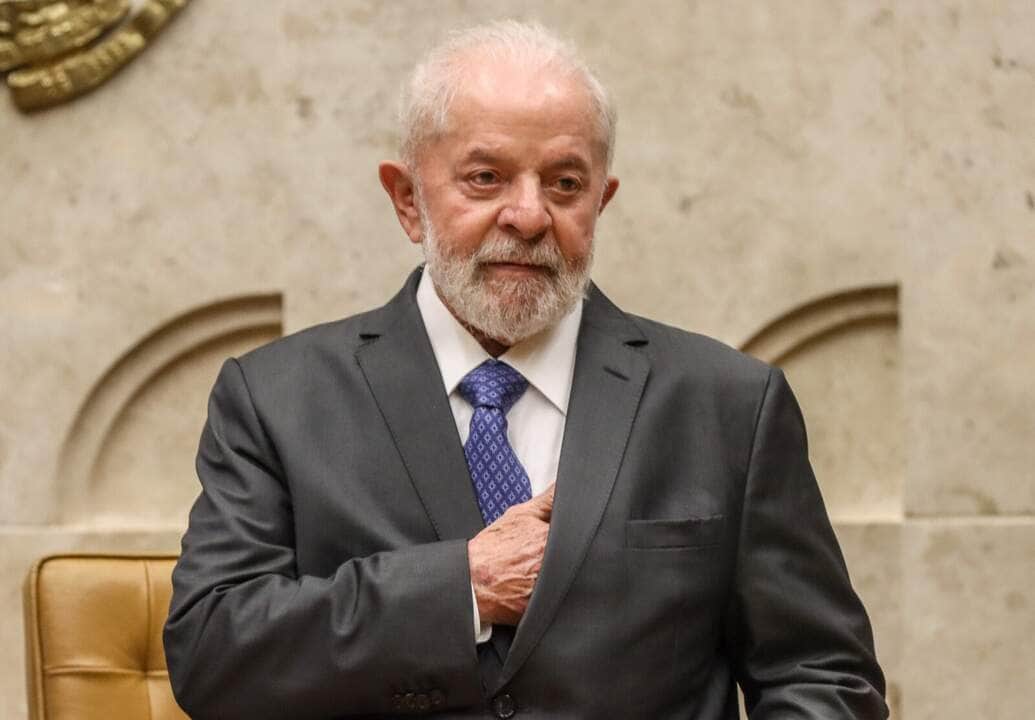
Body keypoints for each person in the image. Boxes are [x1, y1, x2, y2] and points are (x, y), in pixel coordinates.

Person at [164, 20, 888, 720]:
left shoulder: (727, 404)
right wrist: (463, 590)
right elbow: (211, 652)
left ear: (600, 203)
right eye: (485, 178)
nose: (529, 215)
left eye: (565, 184)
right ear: (407, 199)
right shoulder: (275, 399)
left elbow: (820, 673)